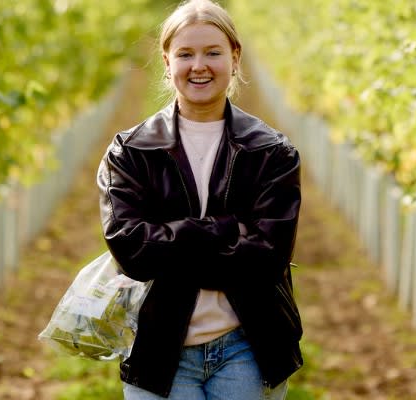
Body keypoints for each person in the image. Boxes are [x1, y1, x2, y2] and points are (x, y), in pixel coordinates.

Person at [97, 0, 303, 398]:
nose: (199, 65)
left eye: (213, 52)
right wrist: (227, 229)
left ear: (235, 57)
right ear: (167, 61)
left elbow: (268, 258)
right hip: (158, 349)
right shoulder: (130, 152)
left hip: (249, 347)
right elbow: (131, 250)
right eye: (185, 54)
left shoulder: (273, 151)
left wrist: (171, 244)